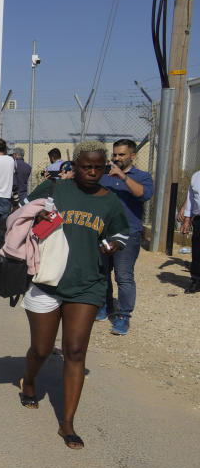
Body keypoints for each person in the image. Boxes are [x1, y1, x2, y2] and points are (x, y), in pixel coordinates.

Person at [18, 142, 130, 450]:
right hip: (47, 280)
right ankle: (29, 381)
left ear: (105, 168)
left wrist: (113, 244)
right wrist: (38, 216)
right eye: (86, 166)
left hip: (88, 283)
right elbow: (23, 207)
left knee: (76, 350)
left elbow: (121, 232)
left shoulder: (110, 201)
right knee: (41, 349)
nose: (92, 172)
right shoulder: (56, 188)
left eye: (98, 167)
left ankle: (67, 423)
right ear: (74, 166)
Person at [92, 139, 154, 334]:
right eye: (115, 154)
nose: (117, 158)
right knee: (101, 272)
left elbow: (143, 195)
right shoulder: (104, 176)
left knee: (124, 276)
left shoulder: (142, 177)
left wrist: (123, 177)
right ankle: (105, 306)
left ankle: (123, 317)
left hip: (128, 234)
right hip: (103, 232)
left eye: (121, 155)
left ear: (132, 156)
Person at [177, 168, 200, 293]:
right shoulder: (196, 176)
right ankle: (196, 280)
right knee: (197, 251)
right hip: (199, 219)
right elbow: (191, 199)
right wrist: (187, 220)